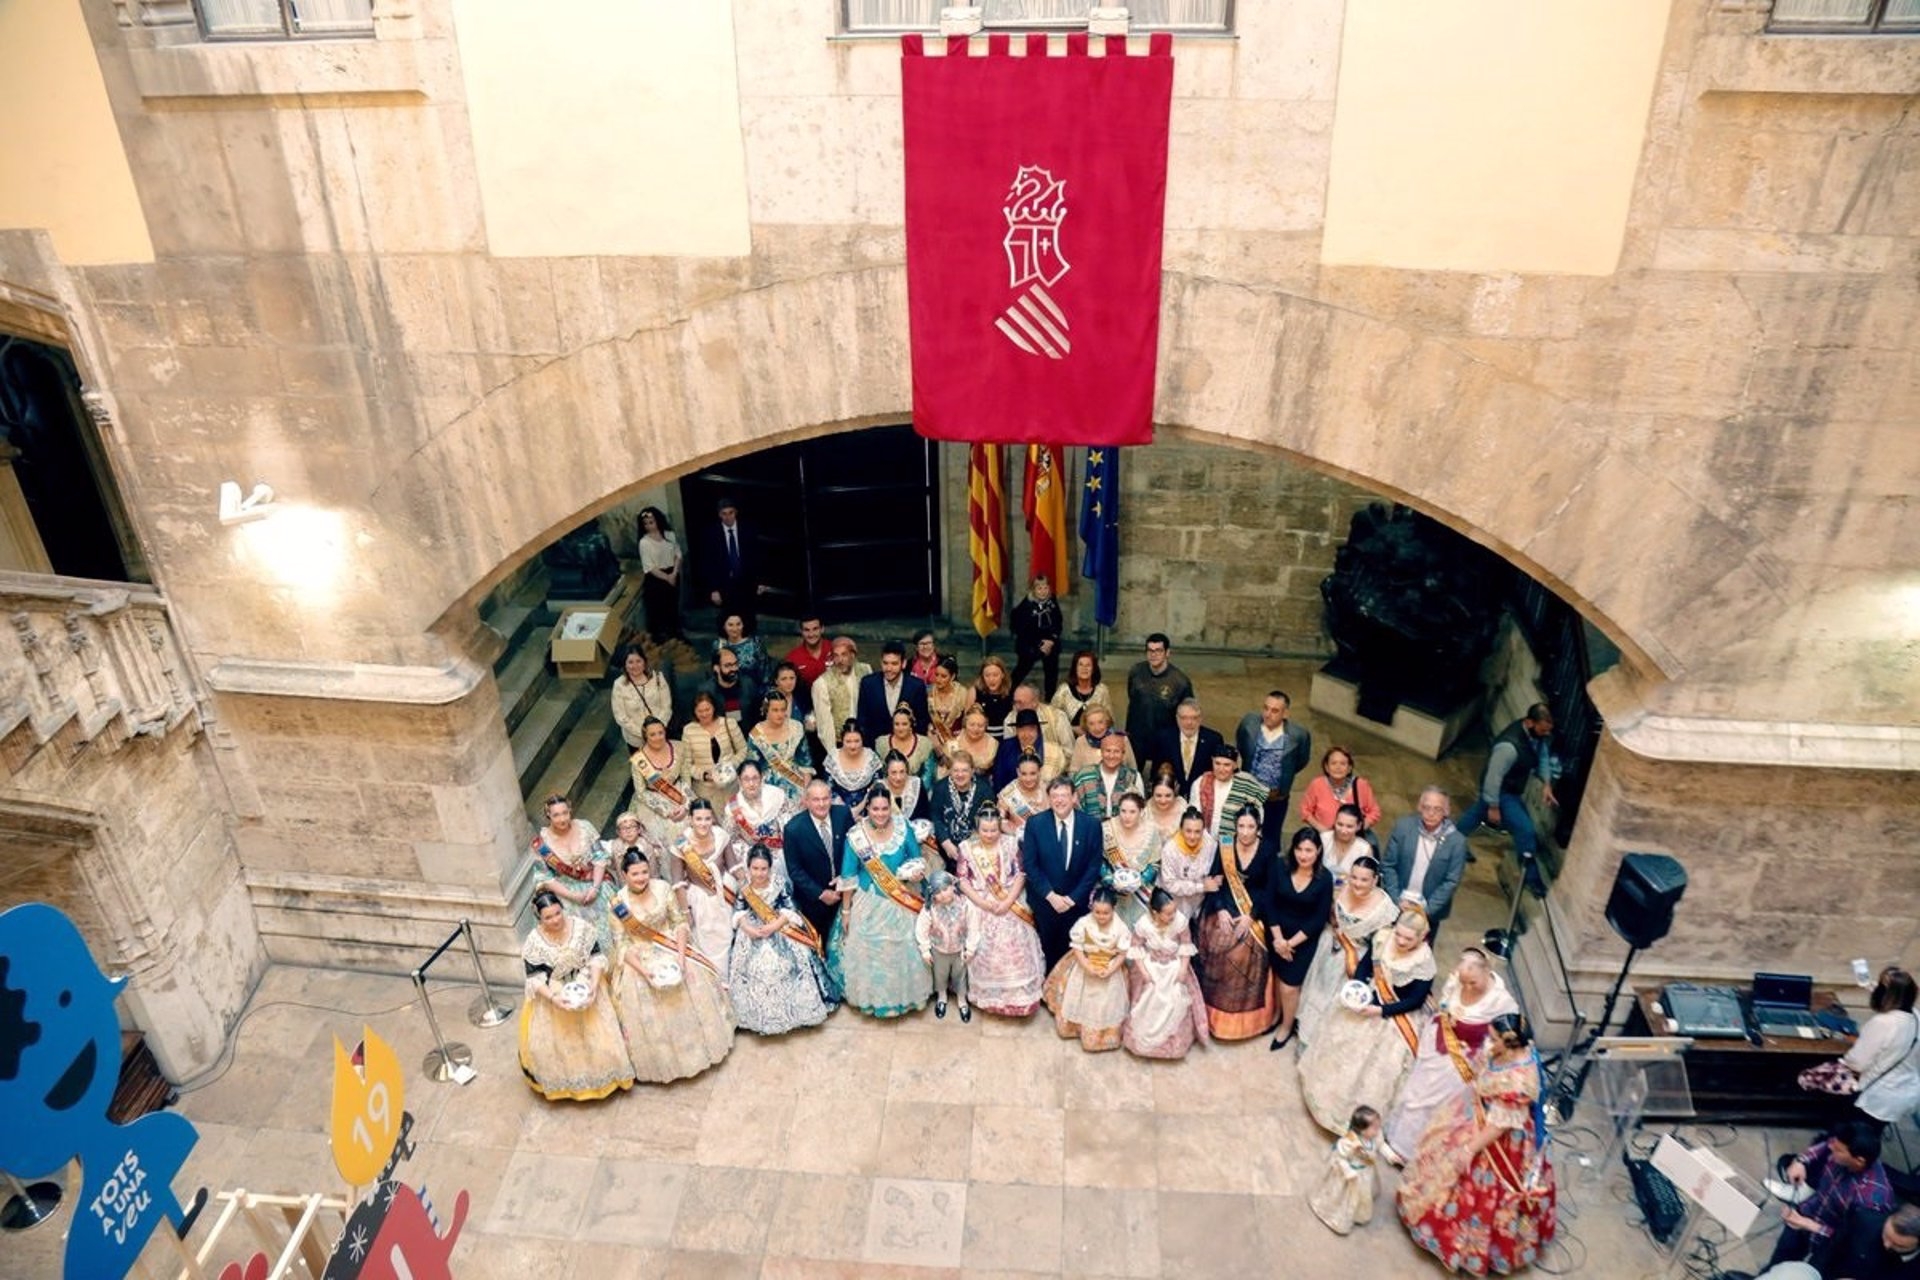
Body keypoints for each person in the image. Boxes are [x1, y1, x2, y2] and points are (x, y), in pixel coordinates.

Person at [1398, 1013, 1557, 1275]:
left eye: (1493, 1039)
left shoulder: (1518, 1083)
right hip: (1478, 1112)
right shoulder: (1504, 1049)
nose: (1488, 1041)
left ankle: (1463, 1246)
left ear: (1509, 1043)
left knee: (1475, 1191)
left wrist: (1469, 1149)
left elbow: (1500, 1125)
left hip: (1497, 1139)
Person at [1300, 911, 1437, 1134]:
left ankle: (1348, 1119)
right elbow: (1365, 966)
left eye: (1408, 939)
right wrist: (1359, 989)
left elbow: (1415, 1000)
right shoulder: (1383, 937)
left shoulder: (1424, 961)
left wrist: (1380, 1010)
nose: (1401, 941)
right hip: (1366, 999)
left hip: (1391, 1015)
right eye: (1399, 935)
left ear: (1423, 937)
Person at [607, 850, 736, 1083]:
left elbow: (678, 921)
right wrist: (646, 973)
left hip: (673, 945)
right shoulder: (617, 903)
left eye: (644, 872)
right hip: (640, 958)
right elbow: (621, 944)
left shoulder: (663, 888)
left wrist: (681, 956)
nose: (641, 878)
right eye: (635, 874)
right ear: (624, 875)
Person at [1383, 947, 1521, 1163]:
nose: (1466, 986)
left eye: (1473, 982)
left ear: (1487, 972)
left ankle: (1422, 1153)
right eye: (1464, 981)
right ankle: (1400, 1143)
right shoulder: (1458, 979)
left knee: (1440, 1106)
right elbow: (1446, 1005)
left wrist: (1484, 1051)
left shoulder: (1502, 1002)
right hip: (1438, 1044)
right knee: (1415, 1093)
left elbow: (1507, 1038)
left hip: (1465, 1060)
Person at [517, 890, 635, 1101]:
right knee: (565, 1043)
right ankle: (572, 1086)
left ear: (563, 909)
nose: (555, 920)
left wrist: (593, 985)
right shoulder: (534, 942)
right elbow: (535, 978)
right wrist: (555, 998)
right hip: (553, 990)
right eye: (548, 917)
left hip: (586, 978)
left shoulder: (581, 928)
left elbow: (596, 956)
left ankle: (609, 1078)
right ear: (539, 918)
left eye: (557, 913)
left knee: (600, 1036)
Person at [831, 789, 934, 1018]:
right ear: (867, 808)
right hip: (868, 903)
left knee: (903, 951)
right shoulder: (856, 836)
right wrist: (846, 912)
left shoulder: (903, 827)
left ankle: (903, 1000)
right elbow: (848, 876)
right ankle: (873, 1001)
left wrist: (915, 872)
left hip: (901, 899)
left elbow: (915, 857)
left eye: (884, 808)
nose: (880, 813)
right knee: (871, 954)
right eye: (875, 808)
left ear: (891, 807)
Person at [728, 845, 838, 1036]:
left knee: (786, 964)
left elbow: (789, 909)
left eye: (764, 869)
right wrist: (748, 928)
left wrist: (773, 926)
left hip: (780, 927)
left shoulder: (779, 883)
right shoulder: (745, 888)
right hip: (753, 930)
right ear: (748, 868)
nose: (759, 873)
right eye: (755, 868)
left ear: (770, 868)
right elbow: (739, 911)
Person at [1296, 855, 1398, 1046]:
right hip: (1328, 947)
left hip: (1354, 959)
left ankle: (1323, 1044)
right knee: (1316, 992)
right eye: (1354, 877)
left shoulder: (1385, 909)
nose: (1357, 884)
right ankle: (1306, 1037)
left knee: (1335, 1002)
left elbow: (1380, 946)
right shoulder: (1340, 888)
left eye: (1364, 879)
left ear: (1375, 879)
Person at [1197, 804, 1279, 1041]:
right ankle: (1211, 1013)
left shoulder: (1268, 849)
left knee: (1244, 948)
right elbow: (1215, 881)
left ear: (1258, 828)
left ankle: (1240, 1018)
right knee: (1215, 939)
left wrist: (1251, 916)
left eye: (1250, 826)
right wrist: (1221, 909)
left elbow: (1268, 889)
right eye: (1241, 826)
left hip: (1253, 908)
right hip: (1223, 903)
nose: (1245, 832)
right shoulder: (1224, 845)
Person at [954, 806, 1046, 1017]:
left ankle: (1019, 999)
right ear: (977, 829)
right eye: (984, 831)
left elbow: (1021, 875)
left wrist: (1007, 902)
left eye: (993, 830)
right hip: (980, 902)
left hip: (1009, 899)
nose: (989, 835)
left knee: (1015, 945)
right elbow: (962, 880)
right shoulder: (967, 847)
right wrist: (982, 903)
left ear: (1000, 828)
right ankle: (988, 998)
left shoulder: (1011, 844)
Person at [1771, 1121, 1898, 1272]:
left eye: (1838, 1150)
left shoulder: (1871, 1201)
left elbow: (1849, 1241)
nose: (1831, 1148)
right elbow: (1827, 1144)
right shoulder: (1842, 1149)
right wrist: (1801, 1161)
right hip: (1809, 1213)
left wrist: (1808, 1225)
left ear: (1859, 1160)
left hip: (1828, 1246)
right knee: (1778, 1263)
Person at [1456, 702, 1559, 868]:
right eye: (1543, 730)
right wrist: (1494, 806)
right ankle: (1530, 877)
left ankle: (1451, 844)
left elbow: (1542, 756)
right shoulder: (1509, 747)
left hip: (1508, 788)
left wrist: (1546, 784)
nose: (1546, 734)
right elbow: (1493, 777)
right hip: (1502, 790)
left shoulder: (1536, 736)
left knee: (1475, 815)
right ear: (1530, 722)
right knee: (1525, 830)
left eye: (1548, 730)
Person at [1022, 777, 1104, 970]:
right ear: (1049, 799)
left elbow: (1094, 866)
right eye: (1054, 796)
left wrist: (1072, 898)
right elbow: (1030, 865)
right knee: (1047, 950)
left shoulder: (1091, 825)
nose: (1059, 800)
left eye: (1064, 795)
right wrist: (1051, 896)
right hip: (1045, 901)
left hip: (1076, 903)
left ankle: (1067, 994)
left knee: (1072, 951)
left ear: (1074, 797)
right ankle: (1048, 993)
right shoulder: (1035, 824)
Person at [1266, 826, 1336, 1051]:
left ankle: (1287, 1026)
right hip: (1276, 932)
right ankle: (1277, 1015)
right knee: (1277, 978)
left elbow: (1318, 918)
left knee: (1289, 986)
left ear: (1318, 851)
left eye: (1309, 850)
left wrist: (1289, 944)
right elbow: (1269, 902)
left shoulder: (1325, 879)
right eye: (1299, 849)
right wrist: (1278, 940)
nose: (1303, 855)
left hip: (1302, 939)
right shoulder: (1280, 866)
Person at [1123, 888, 1211, 1061]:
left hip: (1174, 966)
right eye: (1168, 913)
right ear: (1155, 913)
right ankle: (1146, 1043)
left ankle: (1174, 1044)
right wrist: (1144, 972)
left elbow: (1186, 945)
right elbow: (1135, 947)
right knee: (1147, 1001)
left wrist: (1183, 969)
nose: (1172, 916)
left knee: (1176, 999)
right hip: (1151, 967)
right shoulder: (1144, 924)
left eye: (1174, 912)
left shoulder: (1180, 922)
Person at [1043, 886, 1132, 1051]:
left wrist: (1111, 969)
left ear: (1114, 909)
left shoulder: (1121, 928)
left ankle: (1101, 1035)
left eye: (1106, 913)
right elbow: (1077, 947)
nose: (1101, 916)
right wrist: (1087, 966)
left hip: (1110, 969)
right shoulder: (1083, 923)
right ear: (1092, 908)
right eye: (1097, 912)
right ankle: (1075, 1027)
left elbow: (1122, 953)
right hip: (1084, 965)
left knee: (1103, 1004)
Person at [1380, 787, 1469, 941]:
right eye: (1426, 807)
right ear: (1419, 807)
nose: (1431, 813)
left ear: (1446, 811)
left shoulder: (1457, 842)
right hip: (1398, 901)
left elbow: (1451, 881)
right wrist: (1396, 898)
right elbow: (1388, 865)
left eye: (1437, 809)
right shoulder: (1403, 827)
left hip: (1429, 909)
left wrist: (1426, 909)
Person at [529, 793, 615, 952]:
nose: (562, 819)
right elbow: (544, 878)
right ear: (548, 815)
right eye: (556, 815)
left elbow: (600, 856)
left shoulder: (585, 827)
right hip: (566, 893)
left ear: (570, 810)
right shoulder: (542, 843)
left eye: (565, 813)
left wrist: (595, 887)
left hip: (594, 882)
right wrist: (573, 896)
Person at [669, 798, 748, 968]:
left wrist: (749, 890)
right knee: (705, 944)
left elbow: (733, 865)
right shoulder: (680, 843)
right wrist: (686, 911)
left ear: (712, 818)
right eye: (698, 819)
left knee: (728, 936)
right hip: (698, 899)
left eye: (707, 818)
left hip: (725, 893)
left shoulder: (721, 835)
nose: (703, 823)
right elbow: (677, 883)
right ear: (690, 819)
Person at [1844, 966, 1920, 1130]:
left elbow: (1857, 1063)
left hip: (1877, 1094)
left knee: (1856, 1137)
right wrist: (1871, 986)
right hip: (1904, 1091)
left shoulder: (1883, 1022)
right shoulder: (1916, 1016)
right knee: (1871, 1134)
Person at [781, 779, 850, 941]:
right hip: (814, 902)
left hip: (846, 894)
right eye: (816, 800)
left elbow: (854, 850)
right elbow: (795, 870)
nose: (821, 804)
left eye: (825, 799)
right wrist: (820, 893)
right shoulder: (793, 829)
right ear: (806, 801)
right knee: (821, 947)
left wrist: (846, 877)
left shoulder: (843, 815)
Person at [1236, 690, 1313, 833]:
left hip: (1276, 797)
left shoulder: (1298, 735)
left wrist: (1284, 773)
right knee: (1245, 829)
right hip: (1249, 793)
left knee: (1272, 833)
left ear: (1285, 714)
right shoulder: (1249, 724)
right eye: (1265, 708)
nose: (1267, 714)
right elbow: (1241, 746)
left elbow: (1301, 761)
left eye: (1275, 710)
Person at [1126, 634, 1194, 780]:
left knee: (1160, 779)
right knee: (1131, 777)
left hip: (1164, 738)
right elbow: (1131, 697)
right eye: (1150, 650)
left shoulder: (1180, 681)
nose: (1154, 654)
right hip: (1137, 736)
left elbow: (1187, 711)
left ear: (1167, 653)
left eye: (1158, 650)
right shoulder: (1136, 672)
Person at [916, 868, 980, 1021]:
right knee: (940, 976)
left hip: (960, 950)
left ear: (953, 886)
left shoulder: (966, 905)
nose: (943, 895)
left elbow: (973, 926)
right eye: (938, 892)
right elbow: (921, 928)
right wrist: (925, 950)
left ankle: (962, 1000)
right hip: (939, 950)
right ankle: (942, 997)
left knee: (960, 976)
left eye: (945, 889)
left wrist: (970, 948)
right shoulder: (930, 909)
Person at [1309, 1105, 1383, 1237]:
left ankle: (1358, 1213)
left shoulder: (1374, 1138)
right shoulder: (1350, 1142)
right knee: (1347, 1195)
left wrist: (1390, 1155)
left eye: (1378, 1126)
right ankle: (1335, 1214)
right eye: (1374, 1127)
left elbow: (1381, 1145)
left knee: (1362, 1193)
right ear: (1362, 1129)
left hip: (1365, 1173)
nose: (1378, 1130)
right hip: (1351, 1175)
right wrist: (1348, 1171)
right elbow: (1339, 1158)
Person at [695, 495, 767, 628]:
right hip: (725, 584)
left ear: (736, 513)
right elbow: (708, 563)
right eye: (724, 514)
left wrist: (761, 581)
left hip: (747, 582)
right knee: (729, 619)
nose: (728, 517)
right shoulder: (711, 534)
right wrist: (713, 589)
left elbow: (758, 557)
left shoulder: (748, 530)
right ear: (719, 515)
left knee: (749, 618)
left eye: (731, 513)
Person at [629, 716, 691, 855]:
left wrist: (685, 804)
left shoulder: (679, 747)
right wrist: (665, 810)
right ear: (645, 736)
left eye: (660, 733)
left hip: (679, 792)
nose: (658, 737)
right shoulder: (639, 759)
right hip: (652, 801)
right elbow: (641, 792)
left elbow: (686, 778)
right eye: (652, 734)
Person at [1100, 791, 1163, 927]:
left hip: (1140, 894)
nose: (1127, 817)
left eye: (1132, 812)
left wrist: (1140, 881)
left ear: (1141, 812)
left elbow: (1155, 863)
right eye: (1123, 811)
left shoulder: (1151, 831)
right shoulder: (1107, 829)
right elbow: (1098, 860)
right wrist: (1110, 879)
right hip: (1112, 894)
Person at [1189, 745, 1268, 847]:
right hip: (1204, 839)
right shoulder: (1202, 782)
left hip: (1236, 842)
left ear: (1235, 765)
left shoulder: (1247, 784)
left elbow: (1258, 815)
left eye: (1226, 765)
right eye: (1217, 763)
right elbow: (1194, 813)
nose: (1221, 769)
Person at [681, 691, 749, 810]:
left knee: (735, 820)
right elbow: (686, 763)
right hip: (705, 790)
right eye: (700, 711)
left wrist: (730, 766)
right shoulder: (688, 730)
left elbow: (743, 749)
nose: (704, 714)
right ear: (694, 711)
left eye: (707, 709)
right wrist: (704, 775)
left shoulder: (729, 723)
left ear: (714, 708)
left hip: (731, 787)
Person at [856, 640, 929, 745]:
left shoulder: (916, 686)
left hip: (907, 749)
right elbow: (862, 719)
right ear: (881, 662)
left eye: (894, 664)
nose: (889, 668)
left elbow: (922, 722)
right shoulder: (868, 684)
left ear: (903, 664)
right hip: (875, 748)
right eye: (885, 663)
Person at [1158, 805, 1221, 926]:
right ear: (1181, 829)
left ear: (1203, 830)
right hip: (1174, 903)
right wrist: (1201, 887)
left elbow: (1214, 871)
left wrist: (1216, 879)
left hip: (1200, 903)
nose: (1193, 836)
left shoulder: (1210, 845)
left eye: (1197, 832)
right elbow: (1171, 884)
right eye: (1188, 831)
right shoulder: (1170, 849)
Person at [746, 690, 813, 805]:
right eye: (775, 710)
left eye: (783, 710)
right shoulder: (756, 734)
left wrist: (807, 792)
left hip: (796, 787)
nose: (780, 714)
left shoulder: (796, 728)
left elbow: (805, 764)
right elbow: (751, 770)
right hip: (768, 790)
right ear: (766, 710)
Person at [1300, 746, 1382, 834]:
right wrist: (1322, 831)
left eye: (1343, 764)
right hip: (1324, 837)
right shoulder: (1317, 784)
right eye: (1333, 763)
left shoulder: (1361, 785)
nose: (1338, 767)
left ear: (1349, 768)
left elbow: (1375, 811)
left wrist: (1359, 828)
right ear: (1326, 767)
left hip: (1354, 837)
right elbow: (1305, 811)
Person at [809, 637, 870, 754]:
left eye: (844, 654)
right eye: (836, 655)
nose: (839, 660)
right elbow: (824, 724)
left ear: (853, 655)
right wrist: (834, 754)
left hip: (864, 740)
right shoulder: (822, 683)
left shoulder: (865, 670)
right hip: (839, 744)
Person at [1152, 698, 1224, 795]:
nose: (1189, 722)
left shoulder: (1213, 740)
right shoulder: (1164, 738)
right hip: (1171, 799)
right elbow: (1156, 773)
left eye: (1194, 718)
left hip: (1202, 797)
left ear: (1200, 719)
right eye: (1184, 718)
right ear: (1177, 718)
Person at [724, 758, 792, 856]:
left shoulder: (777, 795)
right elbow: (732, 840)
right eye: (746, 779)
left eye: (755, 778)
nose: (751, 784)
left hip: (782, 852)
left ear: (761, 777)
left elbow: (790, 824)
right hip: (754, 859)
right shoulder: (732, 807)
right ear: (739, 780)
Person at [931, 755, 988, 868]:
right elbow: (935, 817)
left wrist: (971, 846)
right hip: (946, 844)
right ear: (950, 771)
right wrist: (946, 843)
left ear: (972, 771)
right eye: (956, 770)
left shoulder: (984, 789)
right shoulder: (940, 788)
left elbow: (988, 819)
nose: (960, 775)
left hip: (976, 845)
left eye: (964, 770)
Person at [636, 505, 684, 642]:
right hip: (656, 578)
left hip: (672, 572)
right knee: (659, 609)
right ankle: (662, 638)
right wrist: (666, 578)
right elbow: (649, 566)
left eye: (652, 522)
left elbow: (678, 554)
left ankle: (676, 634)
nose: (649, 526)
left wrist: (674, 573)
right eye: (646, 524)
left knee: (673, 606)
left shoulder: (669, 535)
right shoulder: (644, 542)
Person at [611, 644, 673, 749]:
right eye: (630, 662)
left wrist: (657, 730)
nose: (635, 666)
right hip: (636, 741)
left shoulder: (657, 678)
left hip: (660, 736)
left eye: (638, 661)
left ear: (644, 662)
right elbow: (620, 716)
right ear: (625, 664)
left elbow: (666, 706)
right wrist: (643, 733)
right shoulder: (619, 685)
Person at [1010, 574, 1064, 694]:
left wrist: (1051, 641)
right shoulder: (1026, 607)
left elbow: (1058, 622)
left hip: (1050, 642)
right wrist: (1039, 644)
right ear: (1033, 590)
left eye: (1046, 588)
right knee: (1022, 669)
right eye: (1039, 588)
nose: (1043, 592)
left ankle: (1050, 698)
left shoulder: (1052, 602)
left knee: (1051, 671)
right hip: (1030, 643)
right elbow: (1021, 630)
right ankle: (1008, 693)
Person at [1074, 731, 1143, 820]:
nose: (1111, 755)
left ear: (1123, 754)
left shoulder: (1133, 777)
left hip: (1123, 830)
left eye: (1116, 751)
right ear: (1101, 753)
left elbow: (1139, 809)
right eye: (1108, 751)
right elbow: (1076, 806)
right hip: (1090, 829)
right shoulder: (1084, 775)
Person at [1003, 683, 1073, 762]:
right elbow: (1009, 751)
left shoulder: (1057, 717)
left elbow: (1069, 752)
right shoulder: (1010, 720)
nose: (1016, 706)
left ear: (1035, 702)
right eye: (1015, 702)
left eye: (1020, 702)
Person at [823, 720, 882, 811]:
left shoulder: (871, 758)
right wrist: (846, 812)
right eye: (848, 741)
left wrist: (861, 808)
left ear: (862, 740)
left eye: (857, 741)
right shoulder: (833, 758)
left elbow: (878, 785)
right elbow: (828, 789)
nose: (853, 746)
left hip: (869, 810)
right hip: (838, 810)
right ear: (842, 740)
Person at [995, 707, 1059, 790]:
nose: (1026, 734)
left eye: (1031, 729)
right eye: (1022, 729)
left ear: (1038, 730)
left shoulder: (1052, 751)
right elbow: (998, 779)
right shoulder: (1006, 747)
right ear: (1016, 730)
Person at [925, 655, 971, 765]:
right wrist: (935, 743)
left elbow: (967, 721)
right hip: (933, 741)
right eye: (936, 675)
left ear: (953, 676)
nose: (938, 679)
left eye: (943, 676)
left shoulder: (962, 693)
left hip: (956, 741)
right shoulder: (929, 692)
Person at [996, 752, 1051, 841]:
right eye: (1024, 774)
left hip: (1046, 839)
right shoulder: (1009, 792)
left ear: (1040, 771)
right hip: (1018, 841)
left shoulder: (1049, 789)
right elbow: (998, 820)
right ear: (1018, 772)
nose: (1028, 779)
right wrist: (1018, 832)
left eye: (1033, 773)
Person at [1069, 702, 1136, 774]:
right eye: (1091, 724)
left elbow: (1133, 768)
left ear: (1107, 722)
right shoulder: (1081, 742)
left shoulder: (1122, 739)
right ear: (1086, 725)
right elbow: (1073, 771)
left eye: (1100, 722)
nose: (1097, 728)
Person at [704, 647, 761, 730]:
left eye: (735, 664)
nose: (734, 669)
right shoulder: (706, 691)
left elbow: (758, 716)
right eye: (728, 666)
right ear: (716, 668)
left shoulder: (748, 684)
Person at [1051, 650, 1109, 730]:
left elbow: (1108, 720)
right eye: (1080, 665)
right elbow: (1052, 719)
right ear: (1075, 668)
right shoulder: (1063, 690)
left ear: (1093, 669)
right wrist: (1073, 729)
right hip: (1067, 738)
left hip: (1096, 737)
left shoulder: (1102, 690)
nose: (1084, 668)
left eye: (1088, 665)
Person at [881, 704, 936, 788]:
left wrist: (913, 791)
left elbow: (928, 774)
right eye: (897, 724)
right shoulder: (882, 744)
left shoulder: (924, 744)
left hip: (918, 791)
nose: (900, 728)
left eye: (904, 724)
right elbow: (881, 774)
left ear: (911, 725)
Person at [601, 810, 663, 882]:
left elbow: (653, 870)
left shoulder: (646, 845)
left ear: (639, 829)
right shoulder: (615, 845)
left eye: (632, 826)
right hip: (625, 883)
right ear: (618, 832)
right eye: (624, 828)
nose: (628, 831)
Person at [1322, 804, 1375, 885]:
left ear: (1359, 826)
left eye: (1349, 826)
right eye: (1340, 824)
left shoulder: (1364, 849)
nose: (1343, 830)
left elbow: (1365, 881)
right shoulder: (1323, 839)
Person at [715, 612, 770, 688]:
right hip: (725, 690)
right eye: (730, 625)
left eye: (738, 624)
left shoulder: (755, 643)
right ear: (724, 626)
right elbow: (716, 671)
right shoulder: (718, 645)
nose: (735, 629)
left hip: (753, 690)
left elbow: (765, 671)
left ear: (743, 625)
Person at [946, 705, 1000, 781]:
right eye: (972, 725)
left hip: (982, 784)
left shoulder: (993, 744)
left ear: (986, 726)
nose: (976, 729)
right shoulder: (953, 742)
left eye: (980, 726)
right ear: (965, 725)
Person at [877, 748, 929, 823]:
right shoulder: (880, 787)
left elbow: (924, 815)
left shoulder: (916, 784)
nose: (898, 777)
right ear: (886, 772)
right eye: (894, 773)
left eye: (902, 772)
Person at [972, 655, 1017, 739]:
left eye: (995, 675)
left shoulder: (1011, 693)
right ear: (982, 676)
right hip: (982, 739)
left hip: (1006, 739)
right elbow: (967, 722)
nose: (991, 679)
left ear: (1003, 675)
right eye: (987, 675)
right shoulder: (975, 692)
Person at [784, 615, 832, 691]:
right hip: (806, 700)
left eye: (815, 629)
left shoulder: (835, 650)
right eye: (806, 630)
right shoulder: (793, 658)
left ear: (822, 629)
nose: (811, 634)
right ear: (801, 631)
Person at [1143, 768, 1187, 841]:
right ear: (1152, 793)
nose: (1163, 801)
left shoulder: (1184, 810)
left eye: (1168, 795)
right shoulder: (1145, 812)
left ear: (1175, 792)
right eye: (1158, 795)